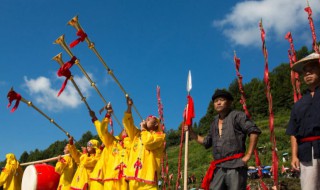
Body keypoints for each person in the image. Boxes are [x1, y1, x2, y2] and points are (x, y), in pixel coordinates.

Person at [186, 89, 261, 190]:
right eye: (216, 101)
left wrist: (248, 155)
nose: (218, 103)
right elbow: (206, 142)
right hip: (219, 167)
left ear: (229, 102)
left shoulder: (237, 116)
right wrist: (191, 132)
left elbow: (254, 132)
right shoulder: (214, 122)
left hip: (236, 165)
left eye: (221, 100)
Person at [286, 52, 320, 190]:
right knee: (309, 187)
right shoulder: (298, 104)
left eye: (312, 68)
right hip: (306, 152)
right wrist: (294, 155)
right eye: (305, 72)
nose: (308, 73)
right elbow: (293, 132)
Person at [123, 97, 166, 190]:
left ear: (156, 124)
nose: (147, 119)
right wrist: (129, 107)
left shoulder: (159, 136)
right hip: (133, 179)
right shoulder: (137, 134)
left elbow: (148, 143)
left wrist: (143, 129)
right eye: (146, 119)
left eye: (150, 119)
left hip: (148, 180)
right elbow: (128, 123)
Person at [89, 104, 130, 190]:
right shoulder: (112, 141)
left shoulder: (133, 145)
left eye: (129, 129)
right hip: (109, 179)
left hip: (124, 181)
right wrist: (107, 115)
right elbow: (102, 131)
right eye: (125, 128)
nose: (126, 130)